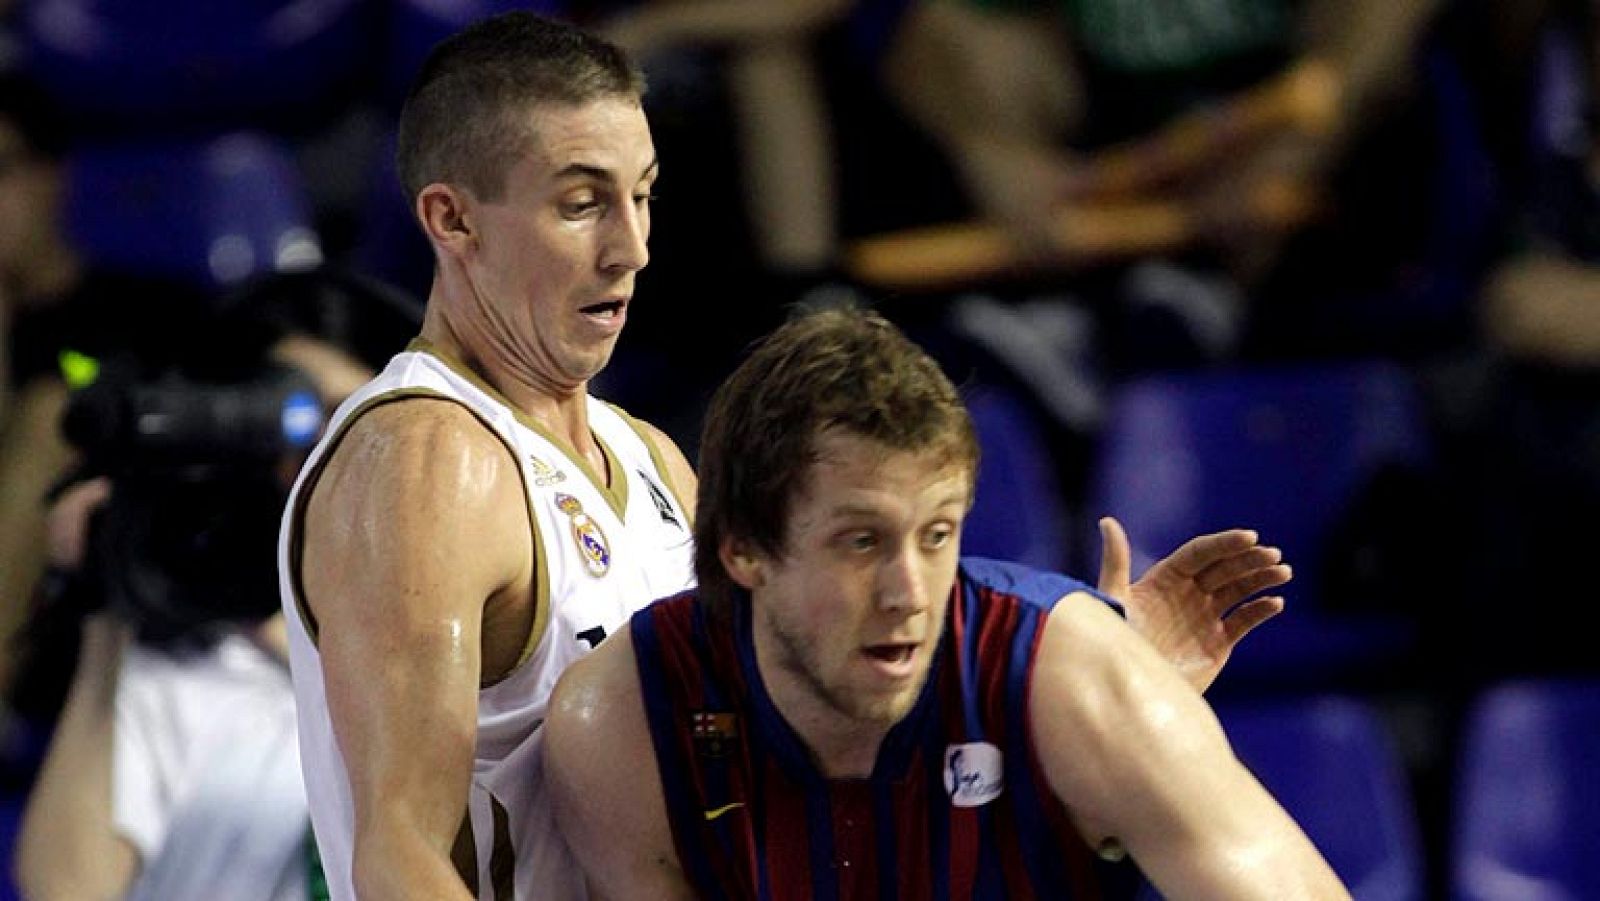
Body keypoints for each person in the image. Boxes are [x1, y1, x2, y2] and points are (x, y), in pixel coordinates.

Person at [282, 13, 1288, 900]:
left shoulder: (649, 458)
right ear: (451, 218)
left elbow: (814, 722)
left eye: (643, 195)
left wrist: (1083, 696)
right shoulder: (425, 463)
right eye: (581, 203)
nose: (631, 247)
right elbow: (399, 857)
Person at [544, 306, 1349, 899]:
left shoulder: (1073, 681)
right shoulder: (623, 721)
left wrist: (1106, 724)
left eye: (936, 535)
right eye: (861, 541)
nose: (909, 592)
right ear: (743, 549)